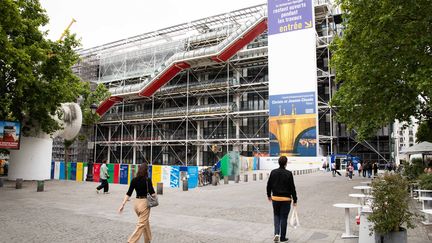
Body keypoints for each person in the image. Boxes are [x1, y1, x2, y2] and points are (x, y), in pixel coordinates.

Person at [118, 163, 155, 243]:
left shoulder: (134, 179)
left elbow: (129, 193)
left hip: (136, 204)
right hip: (144, 203)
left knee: (145, 222)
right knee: (141, 224)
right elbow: (152, 193)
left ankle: (148, 240)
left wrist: (123, 204)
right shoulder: (147, 180)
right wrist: (155, 198)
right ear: (146, 171)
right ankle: (131, 241)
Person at [266, 156, 297, 243]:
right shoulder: (289, 173)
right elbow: (292, 188)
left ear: (278, 162)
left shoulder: (273, 172)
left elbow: (269, 185)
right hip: (286, 199)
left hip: (275, 198)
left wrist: (269, 195)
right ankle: (283, 238)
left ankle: (276, 234)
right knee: (284, 218)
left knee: (276, 216)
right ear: (286, 163)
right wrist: (295, 200)